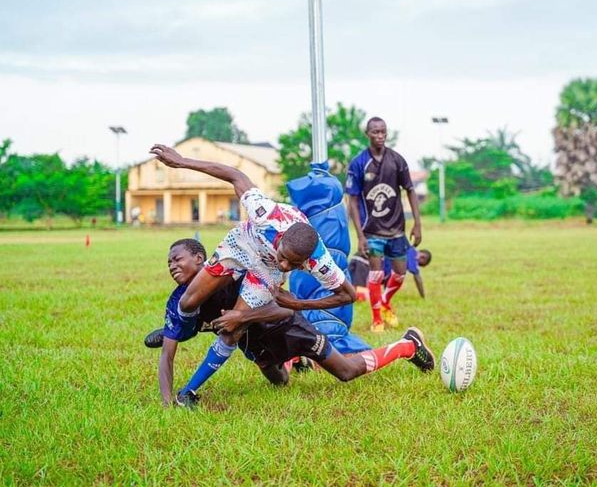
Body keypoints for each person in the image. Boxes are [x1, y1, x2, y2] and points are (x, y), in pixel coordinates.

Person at [149, 144, 435, 408]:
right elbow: (235, 174)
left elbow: (346, 295)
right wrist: (182, 162)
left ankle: (189, 391)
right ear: (281, 238)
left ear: (306, 262)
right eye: (284, 256)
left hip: (267, 277)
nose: (285, 265)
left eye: (293, 264)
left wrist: (297, 304)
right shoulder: (266, 215)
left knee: (234, 330)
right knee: (187, 303)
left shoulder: (319, 262)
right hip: (242, 244)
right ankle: (183, 331)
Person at [144, 238, 292, 406]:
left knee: (282, 377)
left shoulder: (230, 273)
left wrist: (242, 316)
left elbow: (283, 308)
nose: (172, 266)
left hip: (259, 320)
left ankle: (296, 359)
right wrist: (166, 402)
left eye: (177, 259)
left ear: (199, 258)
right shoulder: (177, 300)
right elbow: (167, 356)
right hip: (229, 330)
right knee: (277, 377)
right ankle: (174, 332)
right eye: (169, 263)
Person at [345, 117, 423, 332]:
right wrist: (360, 235)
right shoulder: (359, 163)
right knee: (376, 274)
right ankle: (377, 319)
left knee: (400, 274)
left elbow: (410, 190)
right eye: (375, 132)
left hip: (396, 229)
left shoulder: (397, 160)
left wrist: (417, 224)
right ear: (367, 134)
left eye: (383, 132)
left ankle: (386, 302)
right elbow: (352, 201)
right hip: (372, 231)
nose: (380, 136)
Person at [349, 247, 432, 301]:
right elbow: (417, 277)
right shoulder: (412, 254)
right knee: (362, 292)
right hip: (366, 261)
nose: (418, 259)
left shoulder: (405, 250)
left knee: (350, 284)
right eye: (422, 257)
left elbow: (389, 280)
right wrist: (423, 297)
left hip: (359, 257)